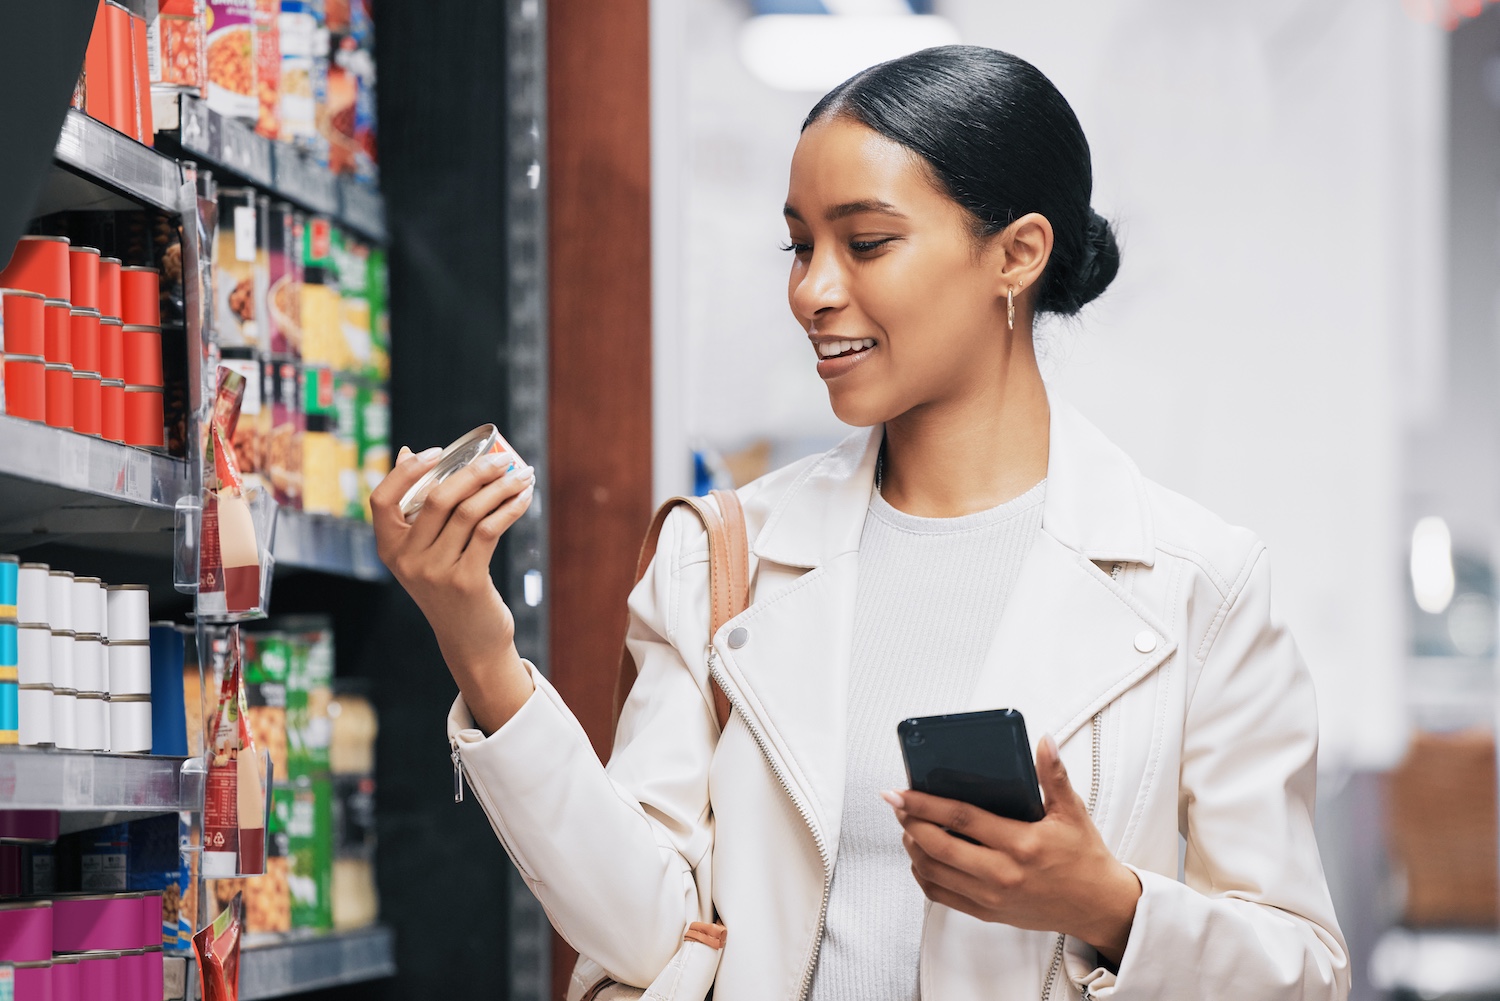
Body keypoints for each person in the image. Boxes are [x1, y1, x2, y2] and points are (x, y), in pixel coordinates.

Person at [370, 45, 1349, 1001]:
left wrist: (1108, 904)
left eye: (865, 241)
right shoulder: (721, 555)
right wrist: (478, 642)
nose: (811, 289)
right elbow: (641, 928)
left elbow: (1303, 967)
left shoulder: (1198, 584)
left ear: (1017, 253)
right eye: (799, 244)